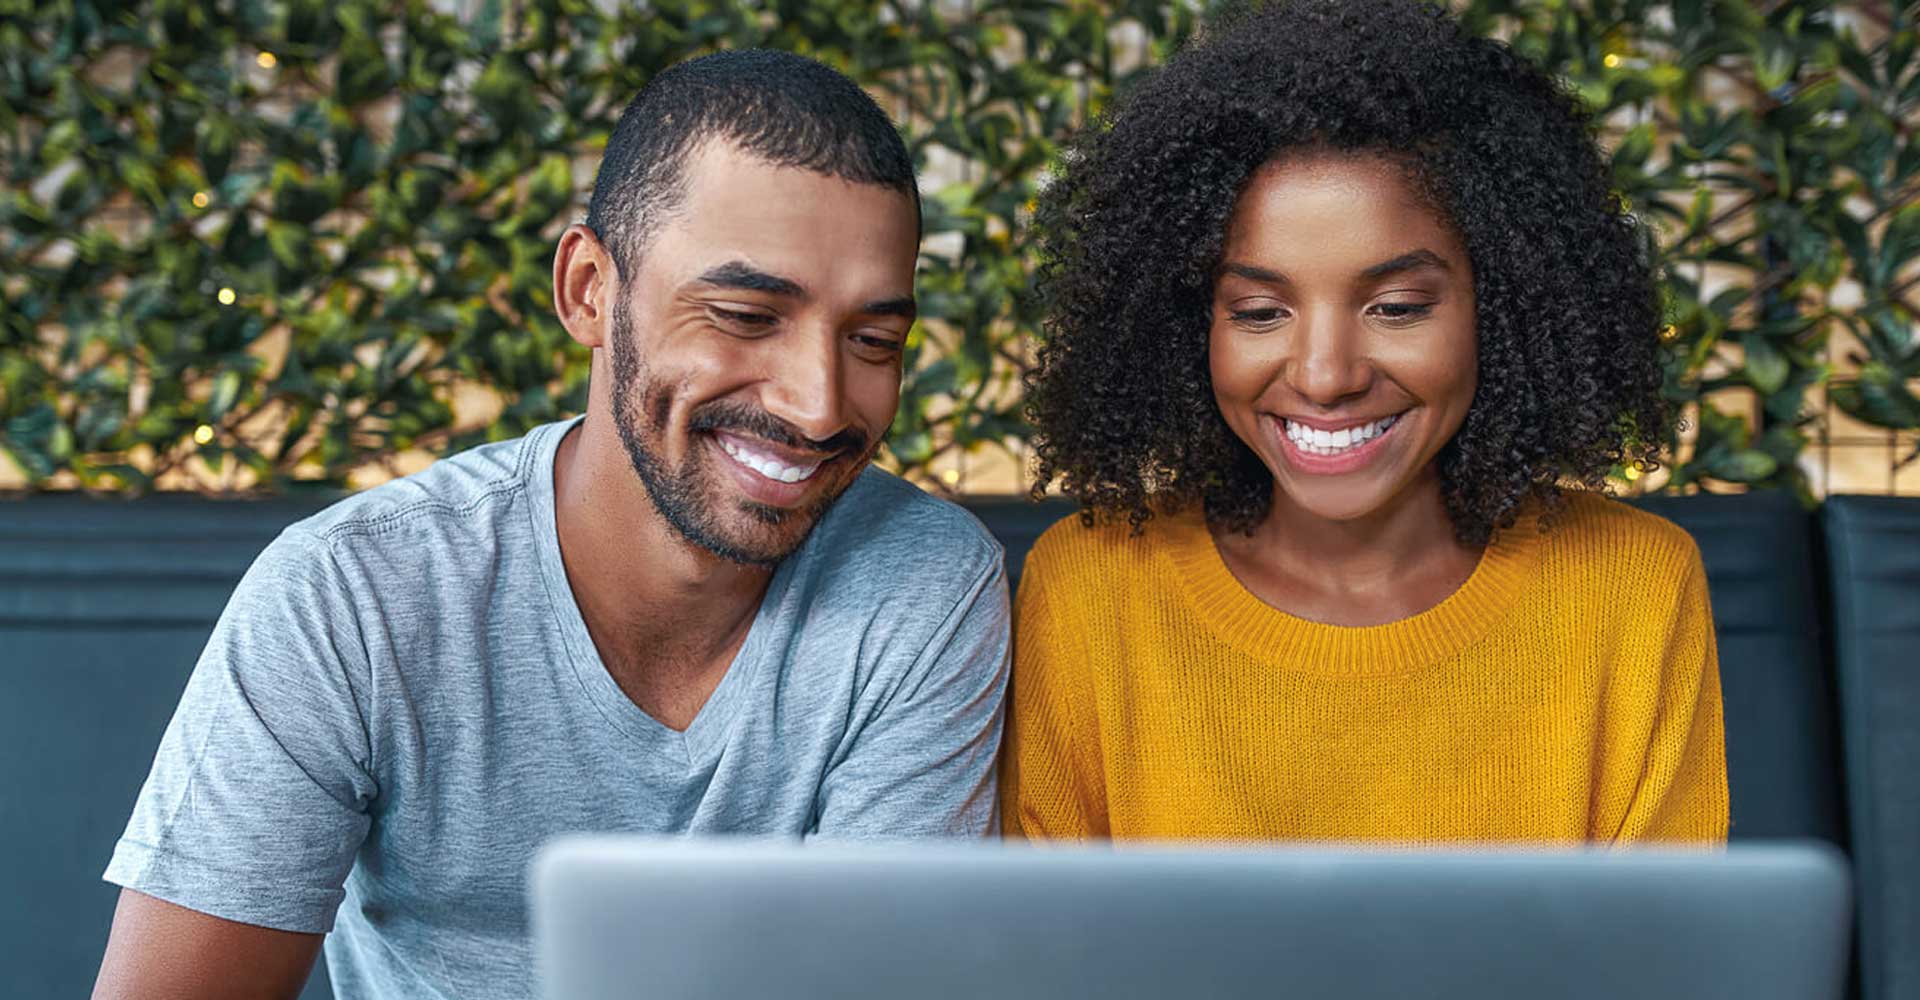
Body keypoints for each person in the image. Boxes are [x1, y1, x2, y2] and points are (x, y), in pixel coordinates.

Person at [94, 50, 1010, 1000]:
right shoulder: (351, 593)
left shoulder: (925, 587)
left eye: (874, 341)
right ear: (588, 291)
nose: (818, 406)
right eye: (744, 316)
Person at [1004, 0, 1727, 844]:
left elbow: (1665, 931)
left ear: (1504, 309)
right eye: (1260, 312)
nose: (1326, 376)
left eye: (1397, 307)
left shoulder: (1633, 588)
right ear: (1186, 326)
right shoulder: (1091, 591)